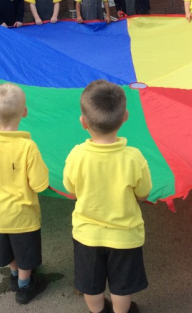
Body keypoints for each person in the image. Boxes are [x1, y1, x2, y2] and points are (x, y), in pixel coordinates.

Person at [63, 80, 152, 313]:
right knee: (121, 286)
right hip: (124, 235)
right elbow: (143, 193)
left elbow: (71, 190)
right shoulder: (134, 157)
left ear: (83, 122)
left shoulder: (76, 155)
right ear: (125, 117)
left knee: (91, 284)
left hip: (87, 235)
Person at [0, 83, 49, 304]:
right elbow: (40, 185)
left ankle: (14, 274)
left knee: (4, 250)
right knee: (26, 253)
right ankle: (25, 286)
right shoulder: (28, 147)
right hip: (23, 216)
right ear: (24, 112)